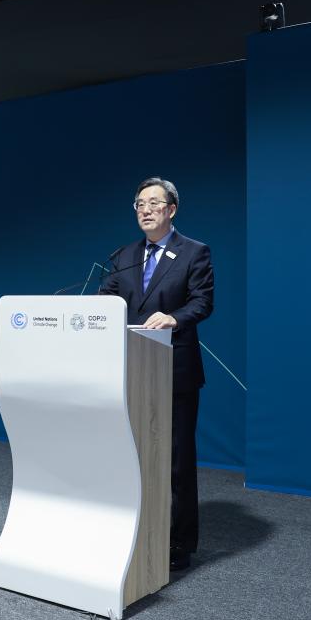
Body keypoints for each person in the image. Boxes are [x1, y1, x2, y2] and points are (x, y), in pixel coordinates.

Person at [99, 177, 214, 571]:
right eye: (139, 204)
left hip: (174, 369)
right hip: (131, 369)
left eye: (153, 203)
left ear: (172, 209)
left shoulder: (193, 252)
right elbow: (108, 297)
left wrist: (174, 318)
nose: (145, 210)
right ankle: (135, 530)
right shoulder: (125, 254)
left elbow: (202, 301)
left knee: (176, 459)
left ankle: (178, 543)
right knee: (133, 454)